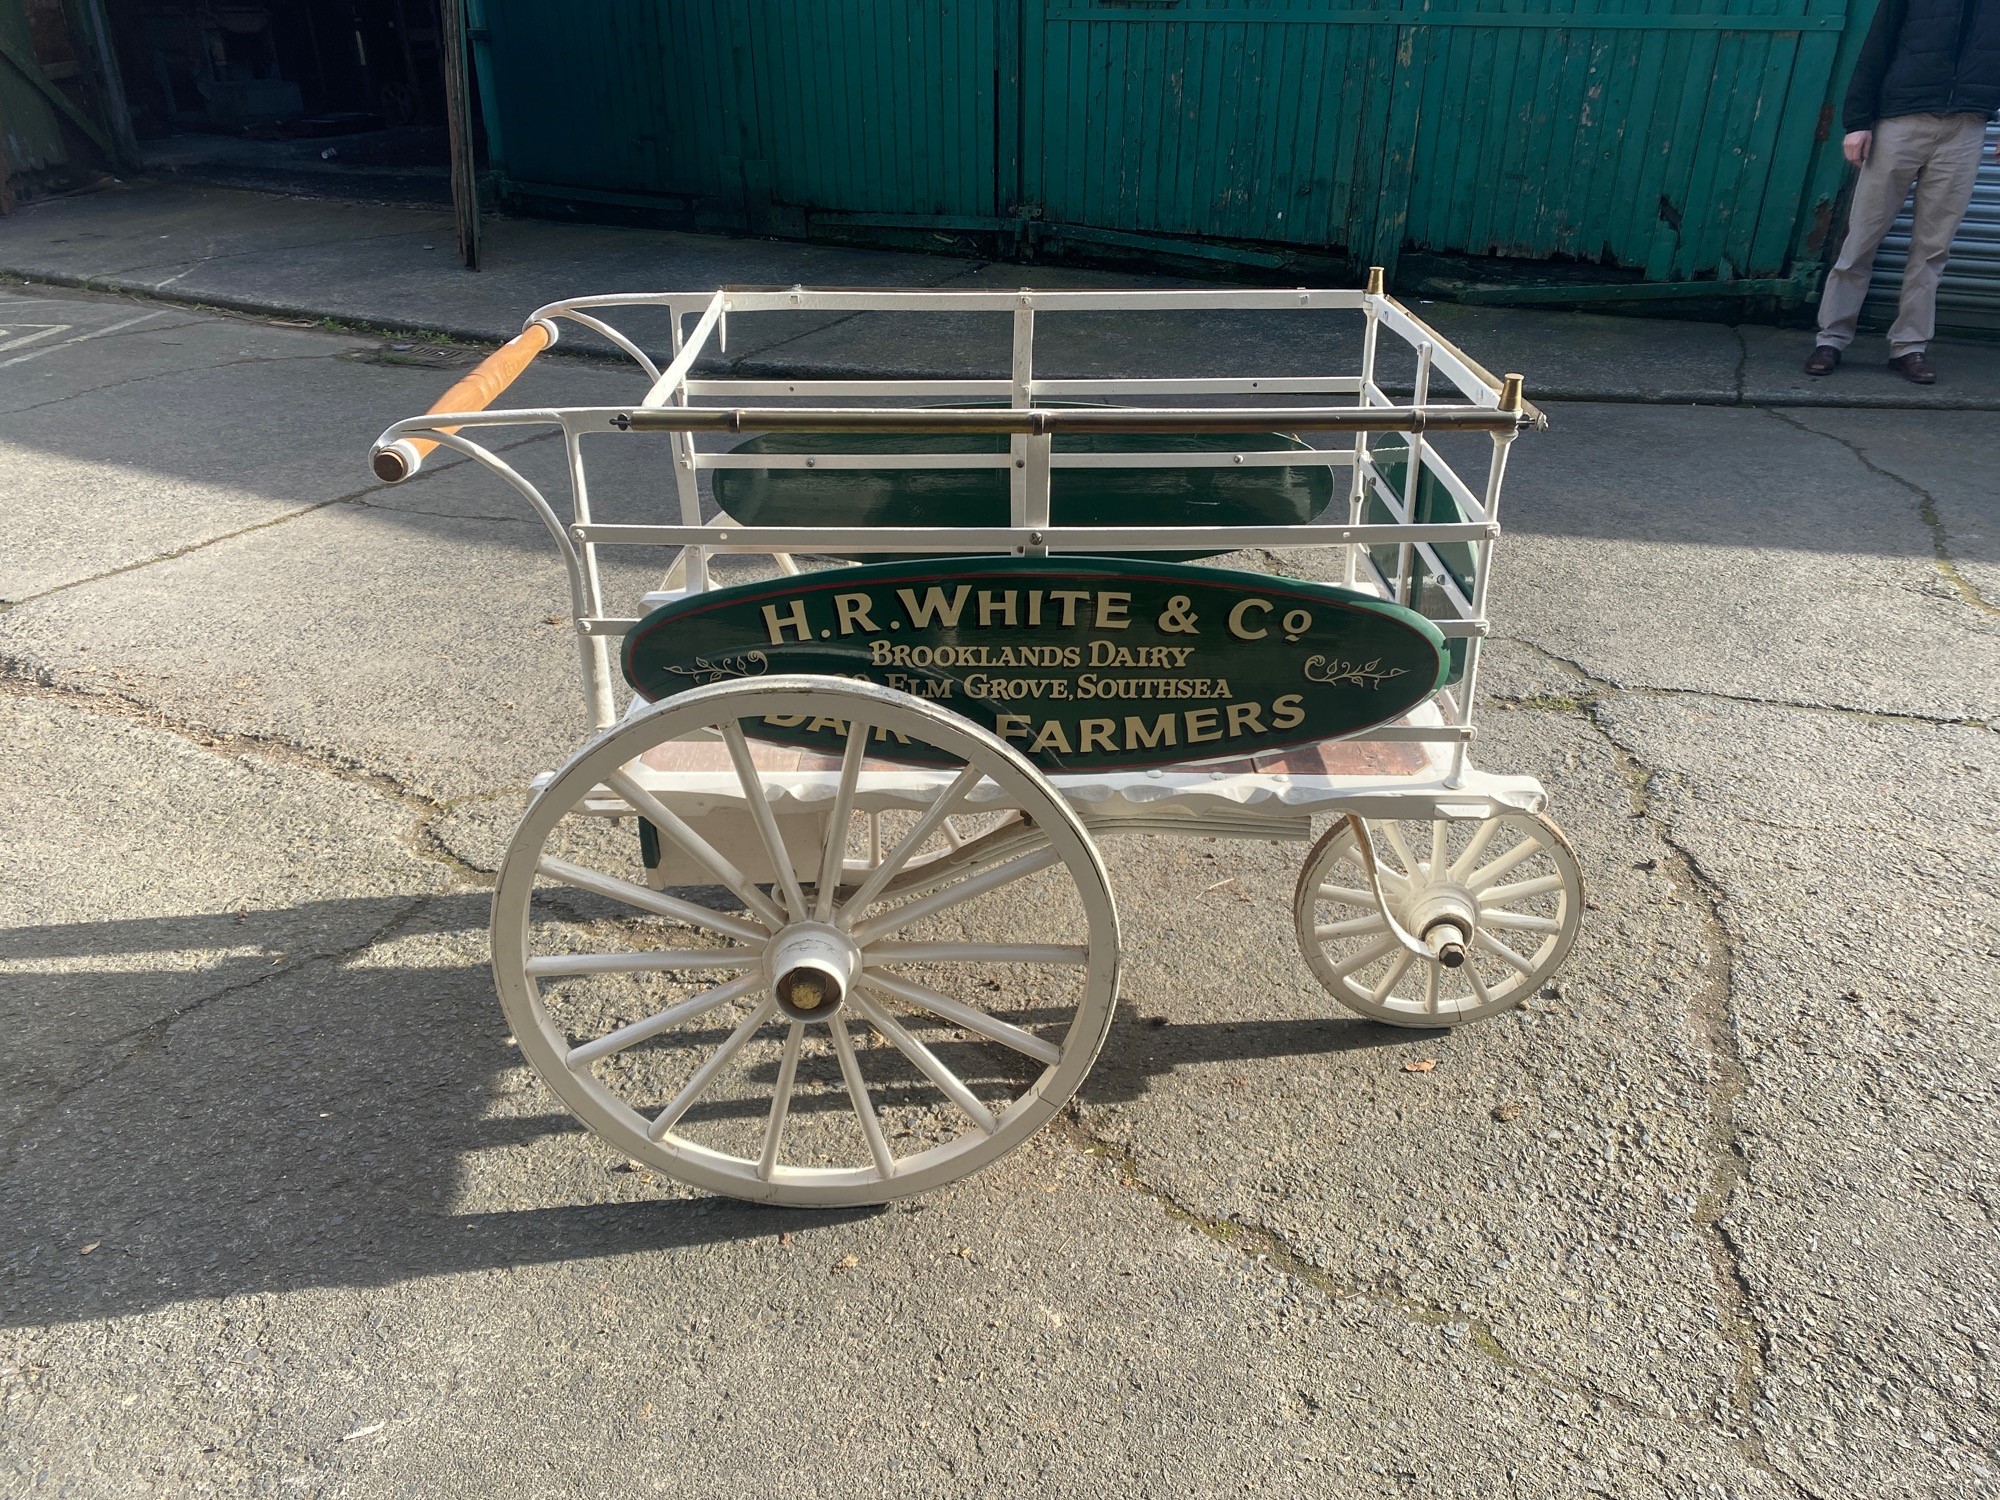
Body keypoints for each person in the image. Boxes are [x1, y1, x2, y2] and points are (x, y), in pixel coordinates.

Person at [1805, 0, 1998, 384]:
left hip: (1966, 128)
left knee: (1933, 248)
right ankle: (1831, 339)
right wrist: (1858, 121)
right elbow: (1876, 47)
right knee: (1862, 237)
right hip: (1900, 122)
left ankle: (1909, 347)